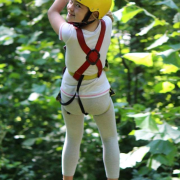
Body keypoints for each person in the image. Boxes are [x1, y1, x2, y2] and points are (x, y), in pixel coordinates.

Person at [48, 0, 120, 179]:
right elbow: (106, 9)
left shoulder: (69, 33)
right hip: (98, 96)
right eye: (71, 1)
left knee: (72, 138)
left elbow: (52, 11)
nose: (70, 7)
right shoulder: (107, 24)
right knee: (110, 139)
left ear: (94, 14)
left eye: (78, 5)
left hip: (70, 97)